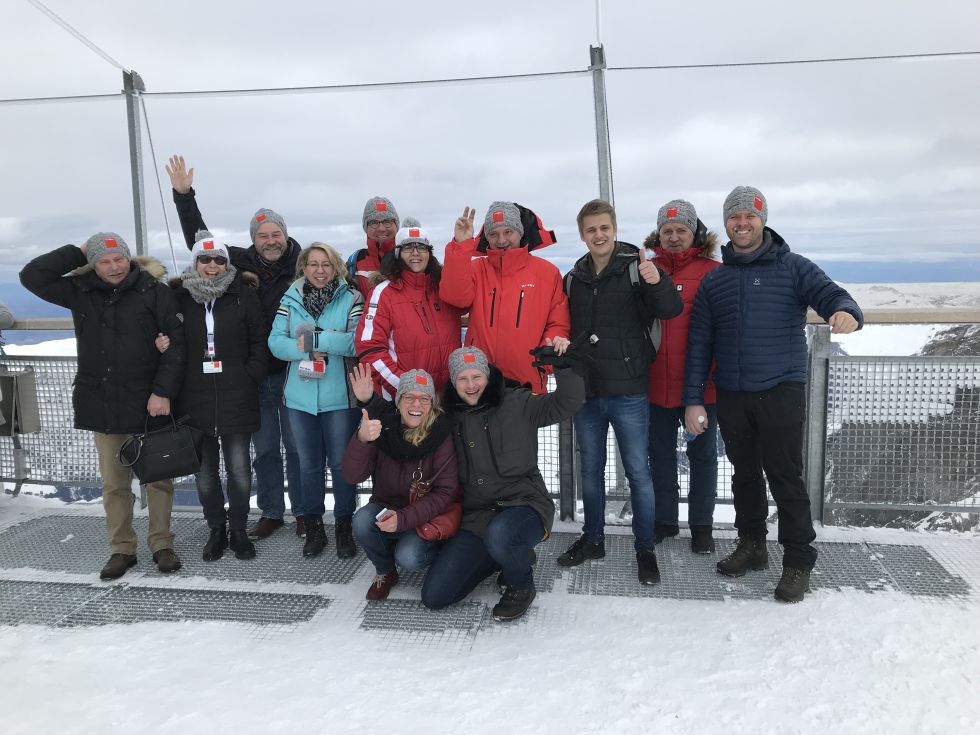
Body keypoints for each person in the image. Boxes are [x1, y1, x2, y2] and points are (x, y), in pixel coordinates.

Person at [683, 186, 863, 603]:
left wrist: (847, 312)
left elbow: (834, 295)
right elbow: (699, 346)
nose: (741, 223)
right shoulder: (716, 280)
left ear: (762, 220)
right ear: (726, 223)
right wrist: (694, 398)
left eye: (750, 216)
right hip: (732, 392)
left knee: (784, 476)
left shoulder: (792, 267)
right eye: (734, 217)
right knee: (744, 475)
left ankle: (798, 560)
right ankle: (753, 545)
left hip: (781, 388)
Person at [20, 233, 186, 579]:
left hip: (148, 402)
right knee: (114, 484)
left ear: (130, 259)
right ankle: (122, 549)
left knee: (158, 481)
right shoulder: (80, 291)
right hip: (104, 401)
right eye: (104, 260)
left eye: (119, 258)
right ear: (93, 263)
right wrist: (75, 250)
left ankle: (161, 544)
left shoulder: (155, 292)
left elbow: (176, 346)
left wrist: (163, 392)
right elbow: (31, 276)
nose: (114, 266)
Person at [166, 155, 302, 540]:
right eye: (263, 235)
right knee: (263, 452)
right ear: (253, 239)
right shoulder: (238, 262)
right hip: (255, 378)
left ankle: (305, 512)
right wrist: (183, 195)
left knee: (296, 449)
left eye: (276, 234)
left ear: (285, 236)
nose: (270, 241)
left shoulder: (303, 262)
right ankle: (273, 511)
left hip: (293, 374)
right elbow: (200, 240)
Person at [556, 199, 683, 585]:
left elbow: (671, 308)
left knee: (638, 474)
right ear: (582, 234)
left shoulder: (637, 268)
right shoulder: (573, 278)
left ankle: (644, 548)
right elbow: (565, 326)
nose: (599, 235)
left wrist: (655, 279)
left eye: (604, 227)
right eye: (591, 229)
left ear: (614, 228)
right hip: (588, 390)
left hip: (628, 389)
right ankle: (593, 539)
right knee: (590, 472)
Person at [421, 345, 586, 622]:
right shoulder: (447, 418)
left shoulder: (517, 402)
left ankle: (520, 585)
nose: (471, 385)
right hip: (476, 517)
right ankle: (506, 555)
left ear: (487, 376)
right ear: (453, 382)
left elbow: (566, 404)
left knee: (501, 534)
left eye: (477, 377)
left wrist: (565, 367)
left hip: (525, 506)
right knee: (435, 596)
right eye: (462, 379)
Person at [166, 231, 269, 562]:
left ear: (228, 263)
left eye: (219, 259)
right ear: (194, 262)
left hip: (236, 396)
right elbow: (167, 338)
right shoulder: (178, 297)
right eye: (205, 259)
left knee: (239, 469)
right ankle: (216, 529)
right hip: (193, 398)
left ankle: (238, 529)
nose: (212, 265)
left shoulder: (243, 295)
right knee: (205, 472)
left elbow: (259, 340)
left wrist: (249, 374)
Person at [268, 243, 364, 558]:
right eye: (313, 264)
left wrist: (317, 338)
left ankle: (344, 526)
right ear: (304, 268)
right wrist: (305, 351)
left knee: (340, 465)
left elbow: (355, 341)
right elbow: (275, 342)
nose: (320, 270)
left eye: (326, 264)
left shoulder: (351, 297)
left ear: (336, 267)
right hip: (300, 398)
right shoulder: (290, 298)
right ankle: (313, 527)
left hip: (339, 399)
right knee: (308, 466)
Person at [644, 200, 721, 553]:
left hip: (701, 388)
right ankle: (665, 520)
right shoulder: (646, 271)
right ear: (658, 233)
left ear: (694, 233)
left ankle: (702, 526)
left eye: (681, 231)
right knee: (659, 456)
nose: (674, 237)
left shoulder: (712, 271)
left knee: (702, 458)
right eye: (667, 231)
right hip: (654, 385)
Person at [343, 366, 458, 601]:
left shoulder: (441, 433)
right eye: (409, 397)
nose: (416, 405)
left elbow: (445, 492)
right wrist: (362, 439)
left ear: (432, 403)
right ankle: (385, 571)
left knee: (408, 556)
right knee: (362, 520)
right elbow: (352, 476)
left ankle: (438, 553)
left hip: (425, 515)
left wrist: (403, 520)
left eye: (424, 399)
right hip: (387, 506)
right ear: (398, 401)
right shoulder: (382, 427)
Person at [440, 202, 570, 393]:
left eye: (508, 232)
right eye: (493, 234)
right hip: (478, 382)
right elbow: (455, 297)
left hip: (527, 381)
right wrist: (461, 246)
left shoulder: (547, 273)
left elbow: (558, 324)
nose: (501, 240)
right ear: (486, 237)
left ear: (520, 232)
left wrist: (542, 361)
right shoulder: (476, 269)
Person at [355, 219, 463, 397]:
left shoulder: (444, 289)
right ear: (397, 253)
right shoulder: (383, 293)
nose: (415, 253)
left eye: (421, 247)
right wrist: (406, 389)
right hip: (405, 400)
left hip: (446, 398)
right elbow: (370, 349)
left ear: (429, 253)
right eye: (408, 248)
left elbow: (464, 300)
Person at [348, 196, 401, 298]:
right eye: (374, 222)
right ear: (366, 227)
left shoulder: (411, 258)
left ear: (396, 225)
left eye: (387, 221)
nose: (381, 228)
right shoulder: (355, 262)